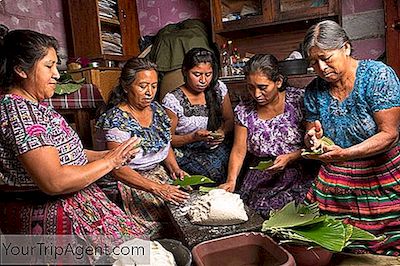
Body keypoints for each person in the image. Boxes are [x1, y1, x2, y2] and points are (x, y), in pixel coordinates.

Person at [0, 29, 146, 254]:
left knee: (140, 249)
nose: (57, 74)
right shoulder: (19, 112)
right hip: (50, 207)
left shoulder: (35, 107)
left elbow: (67, 152)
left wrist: (111, 156)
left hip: (78, 196)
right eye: (49, 66)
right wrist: (110, 162)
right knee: (134, 254)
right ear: (20, 69)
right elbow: (54, 181)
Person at [302, 20, 400, 255]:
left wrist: (344, 154)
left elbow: (389, 135)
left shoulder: (378, 76)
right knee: (336, 244)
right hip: (337, 178)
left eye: (326, 58)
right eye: (314, 62)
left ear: (346, 47)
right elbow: (311, 133)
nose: (321, 67)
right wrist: (312, 139)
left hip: (381, 172)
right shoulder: (314, 90)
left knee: (386, 244)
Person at [96, 57, 189, 238]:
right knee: (160, 222)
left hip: (156, 172)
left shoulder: (157, 110)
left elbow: (165, 143)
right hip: (128, 180)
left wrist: (175, 168)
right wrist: (157, 188)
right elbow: (118, 167)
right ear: (126, 87)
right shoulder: (116, 120)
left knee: (184, 207)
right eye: (143, 86)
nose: (149, 92)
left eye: (154, 86)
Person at [219, 54, 314, 217]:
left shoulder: (299, 100)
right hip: (262, 171)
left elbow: (314, 144)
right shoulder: (244, 111)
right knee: (253, 211)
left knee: (289, 211)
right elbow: (239, 150)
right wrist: (231, 180)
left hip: (299, 167)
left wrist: (290, 157)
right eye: (250, 87)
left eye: (263, 87)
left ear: (278, 81)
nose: (256, 94)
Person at [162, 47, 234, 184]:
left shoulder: (218, 89)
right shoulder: (173, 101)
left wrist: (222, 132)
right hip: (187, 151)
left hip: (215, 146)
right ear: (185, 71)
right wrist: (193, 137)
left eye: (208, 74)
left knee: (238, 159)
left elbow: (229, 120)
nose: (203, 80)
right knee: (210, 171)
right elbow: (167, 139)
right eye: (197, 74)